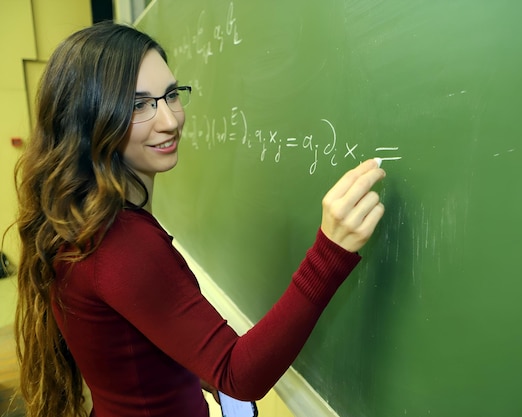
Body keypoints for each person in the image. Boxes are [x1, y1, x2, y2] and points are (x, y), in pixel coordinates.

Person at [14, 21, 385, 417]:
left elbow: (134, 343)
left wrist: (192, 366)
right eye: (138, 105)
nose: (171, 120)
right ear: (89, 119)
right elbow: (238, 374)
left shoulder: (82, 221)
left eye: (171, 95)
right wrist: (329, 254)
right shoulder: (120, 243)